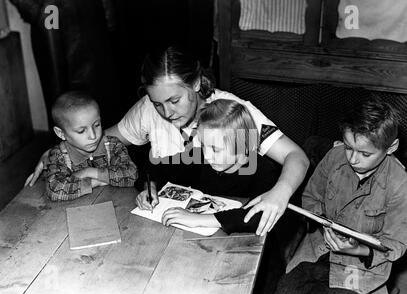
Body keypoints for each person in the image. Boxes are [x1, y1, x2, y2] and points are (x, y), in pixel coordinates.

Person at [25, 46, 309, 235]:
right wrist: (58, 153)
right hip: (177, 223)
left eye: (174, 100)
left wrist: (279, 194)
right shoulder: (150, 110)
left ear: (196, 84)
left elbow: (296, 156)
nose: (166, 112)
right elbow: (103, 139)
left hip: (232, 223)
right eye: (157, 102)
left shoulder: (232, 114)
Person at [272, 99, 407, 294]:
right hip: (317, 250)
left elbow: (396, 243)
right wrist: (320, 221)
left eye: (365, 153)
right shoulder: (335, 156)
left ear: (391, 147)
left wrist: (357, 248)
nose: (353, 159)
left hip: (359, 268)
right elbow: (312, 196)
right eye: (348, 147)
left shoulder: (400, 183)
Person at [162, 98, 280, 229]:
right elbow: (159, 169)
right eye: (202, 145)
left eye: (215, 149)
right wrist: (149, 185)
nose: (207, 155)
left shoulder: (265, 171)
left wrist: (198, 219)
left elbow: (258, 216)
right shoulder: (199, 157)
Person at [45, 91, 138, 201]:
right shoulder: (58, 155)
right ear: (61, 133)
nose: (93, 136)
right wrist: (96, 181)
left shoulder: (112, 145)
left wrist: (88, 172)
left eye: (97, 125)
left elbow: (131, 174)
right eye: (81, 131)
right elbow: (55, 190)